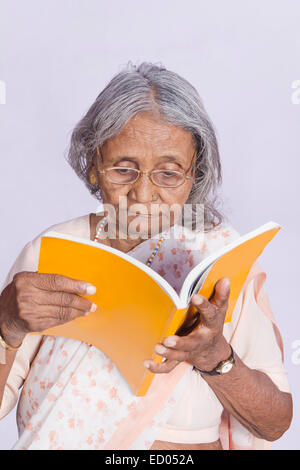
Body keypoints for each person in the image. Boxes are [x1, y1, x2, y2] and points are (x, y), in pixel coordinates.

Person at [0, 62, 292, 450]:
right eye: (123, 170)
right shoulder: (53, 252)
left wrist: (214, 355)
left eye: (168, 174)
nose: (143, 194)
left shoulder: (220, 259)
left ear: (194, 176)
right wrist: (6, 325)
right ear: (92, 166)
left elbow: (273, 423)